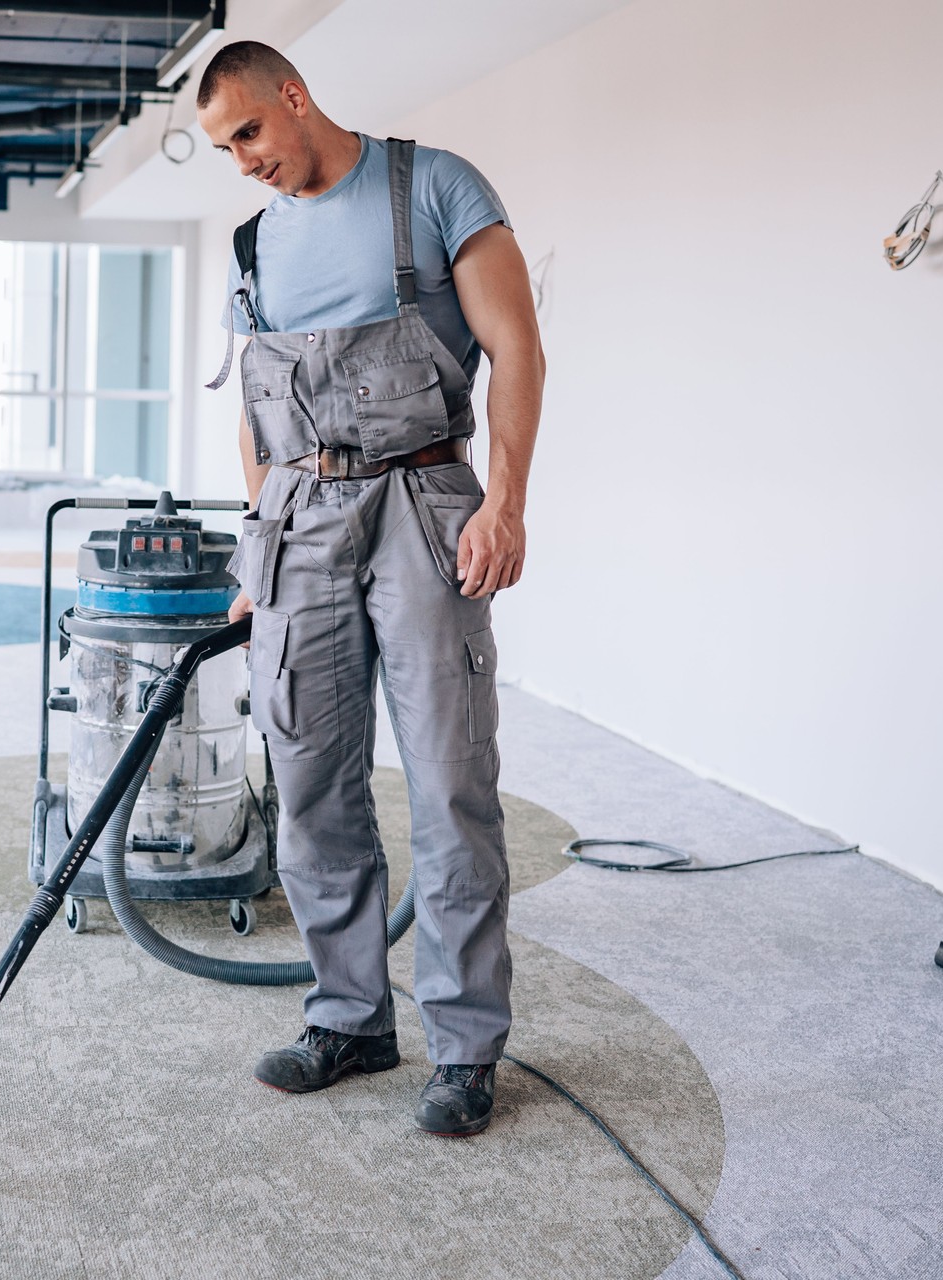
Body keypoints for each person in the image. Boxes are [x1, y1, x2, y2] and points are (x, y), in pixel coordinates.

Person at [196, 41, 545, 1136]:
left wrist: (507, 503)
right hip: (300, 524)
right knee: (308, 779)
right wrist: (261, 544)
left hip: (425, 503)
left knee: (448, 781)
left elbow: (519, 349)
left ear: (293, 97)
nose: (242, 161)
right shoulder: (254, 242)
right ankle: (349, 1014)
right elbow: (256, 415)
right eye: (222, 148)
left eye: (249, 131)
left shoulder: (430, 187)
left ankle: (464, 1044)